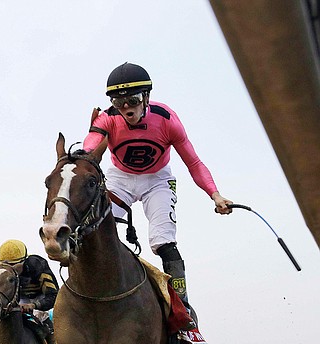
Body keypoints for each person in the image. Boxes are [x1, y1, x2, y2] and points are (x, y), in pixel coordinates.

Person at [83, 63, 233, 327]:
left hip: (158, 180)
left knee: (164, 243)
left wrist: (215, 194)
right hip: (120, 179)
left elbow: (194, 163)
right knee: (96, 231)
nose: (127, 108)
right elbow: (91, 145)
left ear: (147, 98)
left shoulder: (166, 119)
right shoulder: (107, 118)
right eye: (119, 102)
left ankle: (182, 307)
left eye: (133, 100)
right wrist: (85, 154)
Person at [0, 239, 58, 344]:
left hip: (40, 299)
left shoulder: (37, 265)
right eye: (5, 266)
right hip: (20, 300)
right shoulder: (2, 273)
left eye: (13, 265)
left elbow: (53, 295)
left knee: (40, 318)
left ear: (23, 261)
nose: (9, 269)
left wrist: (33, 305)